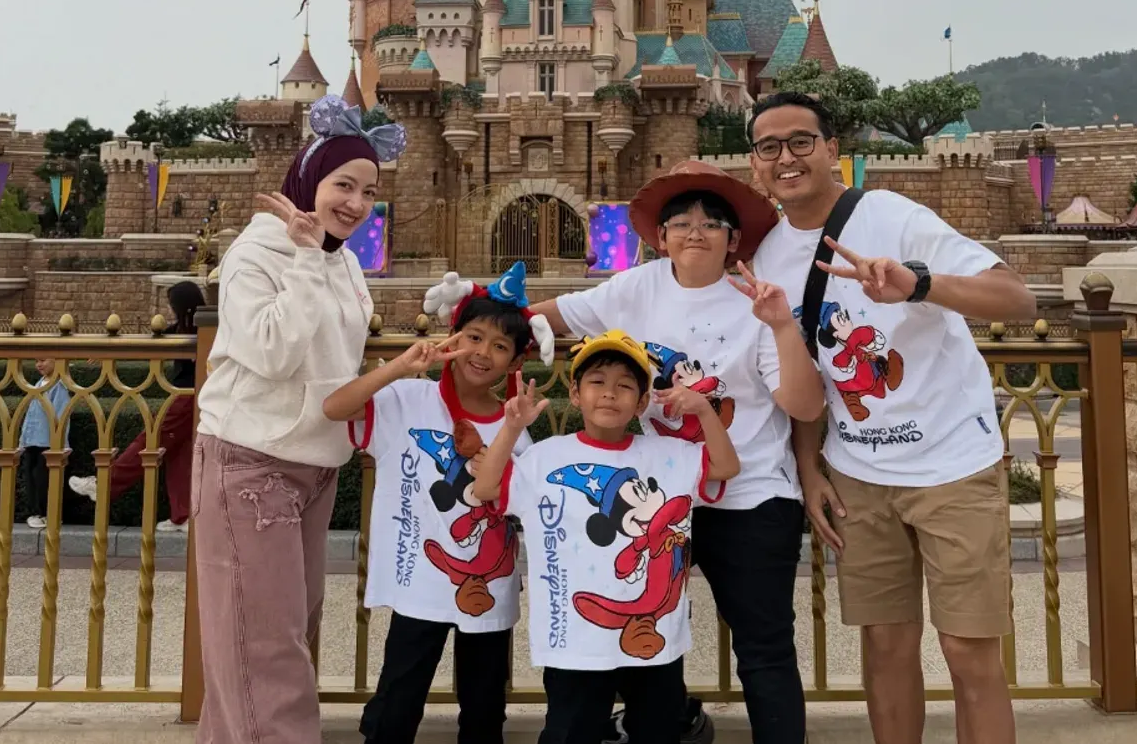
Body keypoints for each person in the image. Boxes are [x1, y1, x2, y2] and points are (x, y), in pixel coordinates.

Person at [747, 91, 1036, 744]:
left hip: (952, 466)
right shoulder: (766, 259)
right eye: (769, 146)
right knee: (885, 646)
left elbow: (1015, 297)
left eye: (801, 141)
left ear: (832, 150)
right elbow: (806, 375)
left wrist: (919, 283)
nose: (786, 157)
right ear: (755, 163)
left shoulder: (891, 216)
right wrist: (808, 468)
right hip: (859, 476)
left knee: (969, 651)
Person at [522, 161, 824, 744]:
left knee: (763, 645)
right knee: (644, 623)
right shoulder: (638, 286)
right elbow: (553, 314)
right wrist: (483, 312)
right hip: (657, 501)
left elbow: (805, 405)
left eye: (711, 223)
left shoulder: (757, 302)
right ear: (660, 237)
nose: (695, 232)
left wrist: (784, 327)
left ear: (733, 240)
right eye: (681, 222)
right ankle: (661, 724)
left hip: (750, 494)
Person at [191, 94, 406, 744]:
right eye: (344, 184)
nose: (357, 203)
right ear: (310, 178)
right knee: (265, 646)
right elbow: (274, 352)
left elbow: (338, 356)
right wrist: (307, 258)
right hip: (251, 461)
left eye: (369, 191)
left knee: (276, 634)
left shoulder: (342, 259)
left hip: (315, 467)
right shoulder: (258, 252)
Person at [321, 260, 555, 744]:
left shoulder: (514, 425)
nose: (482, 352)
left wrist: (508, 439)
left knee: (484, 700)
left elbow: (519, 503)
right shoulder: (407, 399)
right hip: (420, 581)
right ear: (453, 336)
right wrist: (400, 366)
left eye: (499, 346)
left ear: (516, 363)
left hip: (488, 584)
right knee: (400, 692)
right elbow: (335, 408)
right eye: (474, 337)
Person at [470, 331, 742, 744]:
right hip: (575, 642)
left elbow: (725, 467)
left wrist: (704, 410)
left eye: (625, 386)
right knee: (570, 731)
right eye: (597, 382)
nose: (610, 394)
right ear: (575, 394)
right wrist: (511, 428)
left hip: (656, 641)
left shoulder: (668, 455)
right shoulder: (545, 458)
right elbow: (488, 487)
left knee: (658, 730)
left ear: (642, 402)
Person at [69, 281, 206, 532]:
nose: (169, 309)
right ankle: (183, 515)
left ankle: (104, 485)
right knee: (178, 455)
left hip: (187, 399)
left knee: (149, 439)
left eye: (172, 304)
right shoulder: (181, 329)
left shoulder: (203, 330)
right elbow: (145, 344)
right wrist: (108, 352)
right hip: (187, 397)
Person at [20, 357, 72, 529]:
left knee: (45, 480)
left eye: (43, 360)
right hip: (32, 440)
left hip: (49, 442)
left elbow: (62, 416)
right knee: (32, 478)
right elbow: (30, 414)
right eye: (36, 361)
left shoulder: (59, 386)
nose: (39, 364)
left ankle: (48, 514)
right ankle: (36, 512)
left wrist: (62, 444)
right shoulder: (39, 383)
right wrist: (22, 440)